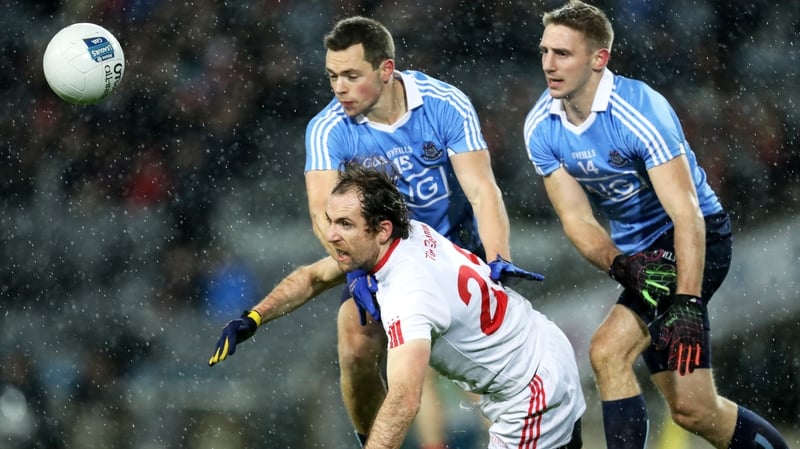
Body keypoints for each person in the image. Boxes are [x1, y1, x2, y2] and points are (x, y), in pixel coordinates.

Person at [523, 2, 789, 449]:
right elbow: (577, 219)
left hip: (694, 239)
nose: (549, 64)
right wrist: (620, 265)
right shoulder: (540, 127)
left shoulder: (641, 113)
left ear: (598, 59)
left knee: (607, 351)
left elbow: (687, 214)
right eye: (544, 51)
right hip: (641, 258)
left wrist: (686, 300)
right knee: (694, 410)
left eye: (563, 54)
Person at [209, 163, 585, 449]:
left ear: (381, 229)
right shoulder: (411, 233)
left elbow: (404, 398)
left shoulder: (408, 293)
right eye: (329, 221)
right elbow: (314, 277)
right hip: (543, 345)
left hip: (530, 394)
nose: (331, 234)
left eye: (345, 224)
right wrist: (254, 317)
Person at [304, 16, 515, 448]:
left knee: (489, 378)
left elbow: (483, 191)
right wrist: (354, 268)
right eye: (332, 76)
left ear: (385, 70)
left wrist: (497, 260)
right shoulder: (327, 128)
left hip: (454, 249)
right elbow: (322, 212)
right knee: (355, 343)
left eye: (350, 75)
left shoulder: (445, 104)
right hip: (385, 258)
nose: (338, 88)